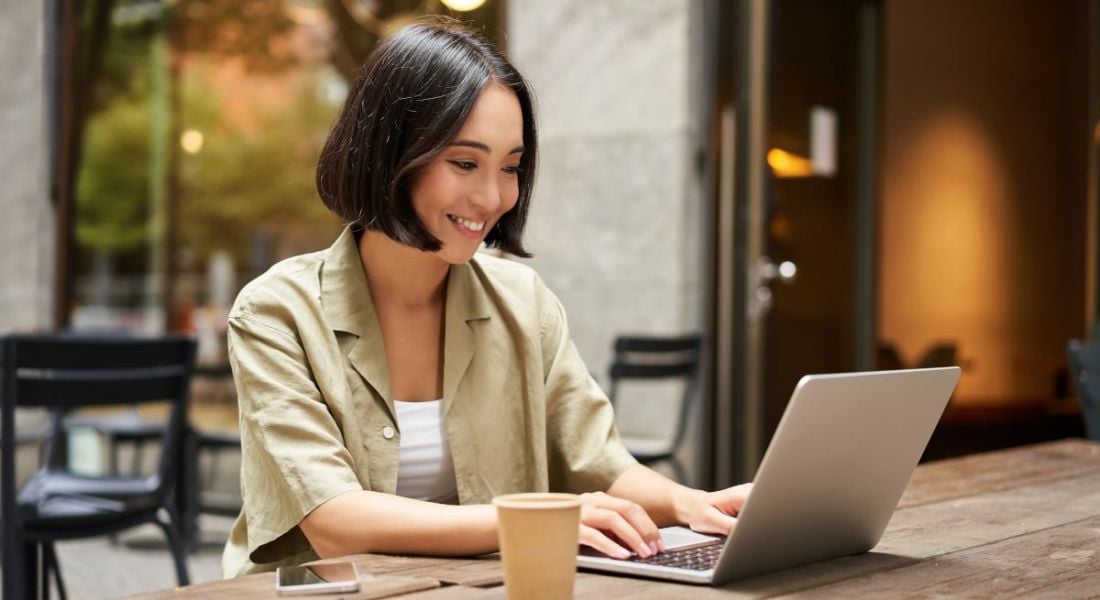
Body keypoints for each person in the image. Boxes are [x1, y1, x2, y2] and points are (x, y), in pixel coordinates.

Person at [222, 18, 751, 578]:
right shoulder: (276, 312)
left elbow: (597, 460)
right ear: (389, 153)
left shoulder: (523, 302)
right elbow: (335, 520)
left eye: (511, 167)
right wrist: (536, 520)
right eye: (465, 163)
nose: (494, 195)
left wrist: (692, 504)